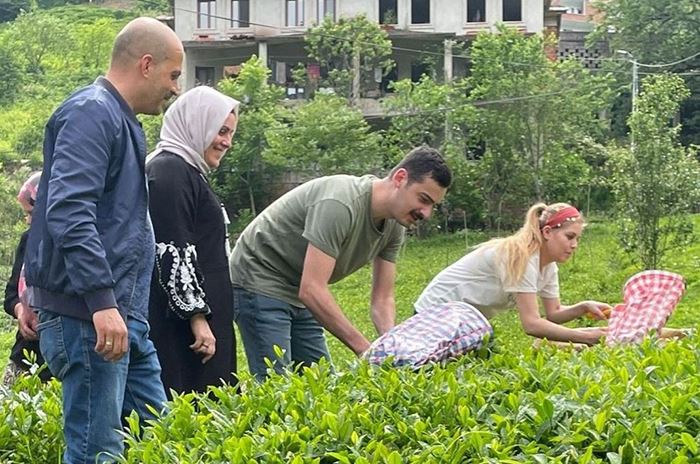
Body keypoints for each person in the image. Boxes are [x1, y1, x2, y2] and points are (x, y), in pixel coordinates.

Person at [22, 17, 183, 464]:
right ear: (146, 65)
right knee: (98, 453)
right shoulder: (92, 112)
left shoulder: (118, 118)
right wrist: (101, 303)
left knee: (157, 438)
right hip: (90, 317)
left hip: (119, 316)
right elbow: (70, 211)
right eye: (173, 75)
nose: (175, 89)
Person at [230, 146, 452, 380]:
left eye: (432, 206)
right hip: (259, 276)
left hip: (298, 286)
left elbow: (382, 298)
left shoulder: (395, 225)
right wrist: (366, 350)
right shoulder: (340, 203)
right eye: (423, 199)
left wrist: (391, 349)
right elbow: (312, 289)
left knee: (320, 381)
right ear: (400, 178)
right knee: (276, 385)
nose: (426, 213)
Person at [146, 86, 239, 396]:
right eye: (221, 130)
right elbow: (173, 250)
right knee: (194, 409)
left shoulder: (188, 171)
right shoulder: (169, 171)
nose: (227, 141)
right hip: (187, 333)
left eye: (230, 133)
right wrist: (197, 319)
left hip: (205, 324)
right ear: (198, 123)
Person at [415, 203, 610, 345]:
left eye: (577, 239)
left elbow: (554, 313)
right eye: (569, 237)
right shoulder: (521, 256)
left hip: (465, 326)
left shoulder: (548, 265)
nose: (574, 245)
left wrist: (583, 307)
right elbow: (532, 324)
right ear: (548, 232)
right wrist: (585, 336)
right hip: (432, 319)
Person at [2, 172, 52, 384]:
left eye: (32, 212)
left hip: (59, 355)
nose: (28, 220)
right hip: (25, 352)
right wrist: (21, 310)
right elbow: (11, 295)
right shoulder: (28, 239)